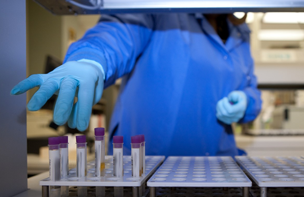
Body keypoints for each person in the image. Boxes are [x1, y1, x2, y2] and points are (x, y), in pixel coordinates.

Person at [11, 13, 262, 156]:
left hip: (219, 166)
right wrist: (91, 60)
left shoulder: (241, 32)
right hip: (147, 165)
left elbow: (250, 84)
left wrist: (247, 102)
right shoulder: (161, 9)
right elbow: (116, 34)